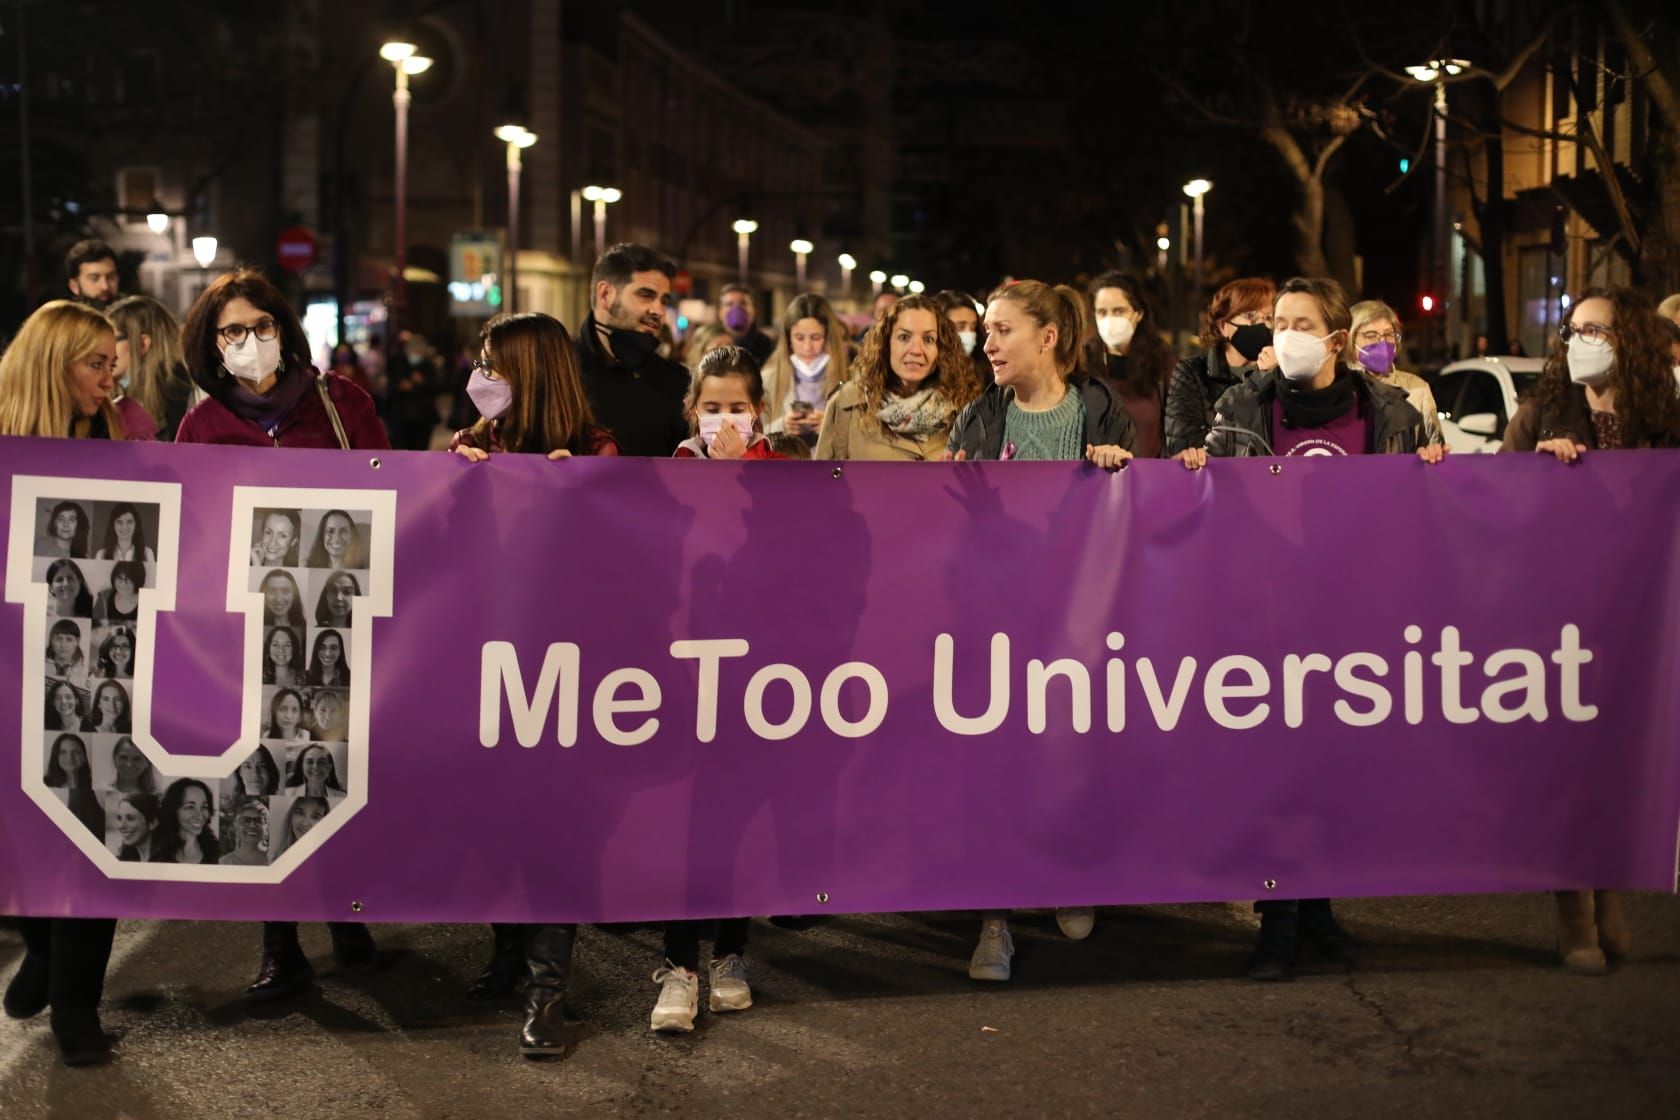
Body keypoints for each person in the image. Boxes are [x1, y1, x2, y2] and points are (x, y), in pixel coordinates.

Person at [1183, 277, 1443, 977]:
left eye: (1301, 323)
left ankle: (1319, 905)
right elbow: (1209, 506)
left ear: (1335, 340)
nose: (1284, 336)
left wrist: (1431, 474)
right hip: (1268, 617)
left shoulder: (1387, 411)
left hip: (1354, 619)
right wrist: (1196, 471)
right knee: (1274, 769)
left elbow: (1416, 515)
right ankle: (1279, 916)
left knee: (1335, 765)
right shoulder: (1241, 405)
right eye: (1279, 324)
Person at [941, 281, 1135, 976]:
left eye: (1001, 330)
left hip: (1080, 620)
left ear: (1047, 338)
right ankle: (994, 920)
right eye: (985, 330)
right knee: (996, 767)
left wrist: (1118, 472)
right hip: (997, 625)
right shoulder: (977, 421)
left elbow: (1131, 519)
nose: (986, 343)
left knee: (1070, 756)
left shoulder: (1103, 412)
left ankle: (1068, 871)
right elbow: (953, 531)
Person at [449, 313, 619, 1058]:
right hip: (488, 660)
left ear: (531, 369)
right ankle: (508, 951)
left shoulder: (594, 448)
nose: (480, 374)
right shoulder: (476, 444)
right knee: (494, 815)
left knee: (555, 824)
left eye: (493, 362)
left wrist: (567, 491)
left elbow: (620, 552)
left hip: (568, 673)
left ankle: (548, 993)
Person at [1500, 288, 1680, 971]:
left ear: (1629, 340)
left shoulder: (1663, 417)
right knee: (1566, 763)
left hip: (1637, 616)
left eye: (1597, 329)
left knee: (1619, 762)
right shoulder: (1543, 411)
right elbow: (1490, 499)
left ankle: (1610, 893)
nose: (1581, 340)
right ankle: (1572, 906)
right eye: (1574, 329)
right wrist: (1536, 473)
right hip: (1556, 619)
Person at [0, 298, 145, 1064]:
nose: (111, 377)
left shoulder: (126, 430)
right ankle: (45, 950)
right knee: (23, 829)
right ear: (53, 367)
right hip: (16, 669)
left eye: (114, 362)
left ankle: (76, 1007)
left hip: (104, 674)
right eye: (98, 363)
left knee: (95, 828)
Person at [174, 269, 388, 451]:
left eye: (264, 325)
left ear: (282, 332)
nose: (252, 340)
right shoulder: (201, 426)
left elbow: (386, 486)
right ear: (212, 345)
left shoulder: (342, 401)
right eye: (235, 330)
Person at [1503, 286, 1680, 462]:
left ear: (1629, 339)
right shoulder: (1537, 415)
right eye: (1572, 331)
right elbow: (1498, 481)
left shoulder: (1665, 420)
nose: (1577, 341)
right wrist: (1538, 468)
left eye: (1592, 331)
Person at [816, 293, 984, 461]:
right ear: (886, 344)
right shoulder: (847, 405)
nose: (916, 350)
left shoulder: (962, 407)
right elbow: (821, 483)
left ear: (941, 348)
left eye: (928, 339)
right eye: (904, 337)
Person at [452, 312, 620, 462]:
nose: (479, 374)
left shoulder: (596, 450)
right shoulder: (469, 442)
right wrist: (459, 474)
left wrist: (574, 483)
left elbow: (608, 497)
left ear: (532, 374)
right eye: (480, 364)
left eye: (491, 366)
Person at [573, 243, 689, 456]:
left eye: (663, 300)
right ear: (605, 294)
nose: (659, 311)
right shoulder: (559, 369)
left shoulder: (677, 382)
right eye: (646, 295)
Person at [1164, 277, 1278, 458]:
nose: (1262, 325)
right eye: (1250, 316)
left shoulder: (1278, 375)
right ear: (1223, 326)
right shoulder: (1192, 373)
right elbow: (1186, 446)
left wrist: (1271, 376)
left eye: (1268, 318)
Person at [0, 300, 130, 443]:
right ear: (52, 365)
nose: (109, 383)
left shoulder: (105, 424)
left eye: (111, 366)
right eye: (97, 365)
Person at [1089, 272, 1175, 458]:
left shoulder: (1162, 364)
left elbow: (1177, 430)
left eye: (1119, 311)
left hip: (1149, 479)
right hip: (1094, 480)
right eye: (1102, 312)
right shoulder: (1082, 363)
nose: (1109, 320)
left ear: (1138, 314)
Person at [1346, 300, 1444, 446]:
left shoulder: (1417, 389)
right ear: (1350, 340)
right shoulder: (1339, 387)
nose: (1382, 341)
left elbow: (1434, 446)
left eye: (1389, 334)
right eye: (1371, 335)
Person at [760, 293, 851, 445]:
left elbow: (862, 437)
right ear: (788, 338)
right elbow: (754, 437)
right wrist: (782, 426)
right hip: (785, 466)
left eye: (816, 338)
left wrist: (831, 426)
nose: (807, 347)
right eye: (799, 338)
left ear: (828, 338)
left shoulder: (849, 378)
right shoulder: (768, 379)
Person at [106, 295, 196, 440]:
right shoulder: (112, 391)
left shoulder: (178, 392)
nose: (103, 350)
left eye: (111, 340)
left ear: (142, 344)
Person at [674, 347, 786, 460]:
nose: (725, 423)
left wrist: (741, 460)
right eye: (712, 410)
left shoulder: (779, 464)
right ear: (693, 408)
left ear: (757, 409)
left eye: (737, 410)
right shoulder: (683, 458)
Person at [44, 733, 105, 839]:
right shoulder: (44, 784)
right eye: (63, 752)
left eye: (76, 752)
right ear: (55, 757)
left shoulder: (97, 785)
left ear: (84, 757)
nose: (69, 757)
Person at [152, 779, 219, 864]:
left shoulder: (216, 851)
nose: (200, 815)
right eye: (190, 807)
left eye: (204, 806)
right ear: (173, 810)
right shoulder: (158, 855)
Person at [934, 289, 991, 384]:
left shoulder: (984, 373)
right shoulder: (925, 373)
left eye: (973, 327)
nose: (969, 333)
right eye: (960, 327)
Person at [718, 284, 775, 364]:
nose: (737, 309)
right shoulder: (710, 342)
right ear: (720, 312)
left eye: (743, 303)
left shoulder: (767, 346)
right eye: (730, 304)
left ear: (754, 310)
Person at [269, 795, 329, 861]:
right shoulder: (274, 858)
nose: (305, 823)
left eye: (315, 817)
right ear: (291, 816)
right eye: (300, 813)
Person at [64, 239, 119, 309]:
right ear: (74, 286)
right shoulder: (64, 319)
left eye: (111, 277)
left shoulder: (134, 314)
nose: (105, 287)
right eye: (94, 279)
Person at [219, 798, 270, 866]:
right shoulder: (224, 862)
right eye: (246, 820)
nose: (252, 825)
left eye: (258, 820)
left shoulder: (274, 858)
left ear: (267, 828)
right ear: (236, 826)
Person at [110, 792, 159, 862]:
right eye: (119, 818)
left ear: (152, 823)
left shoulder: (168, 860)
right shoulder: (123, 859)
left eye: (130, 818)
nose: (121, 826)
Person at [46, 619, 89, 687]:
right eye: (59, 639)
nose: (63, 645)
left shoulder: (84, 672)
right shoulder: (41, 666)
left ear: (77, 642)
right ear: (52, 640)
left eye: (69, 639)